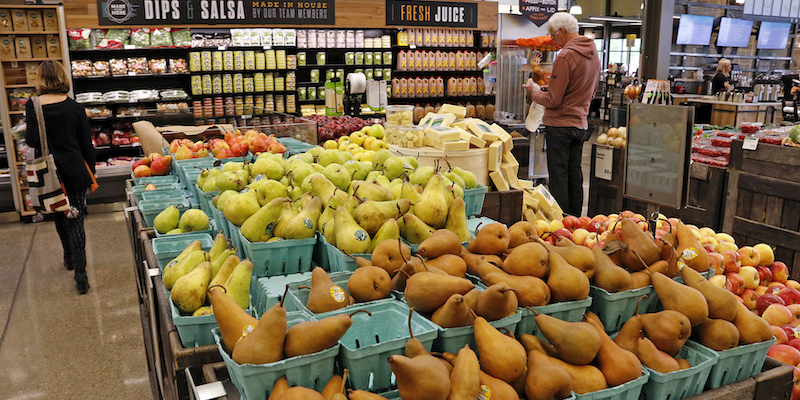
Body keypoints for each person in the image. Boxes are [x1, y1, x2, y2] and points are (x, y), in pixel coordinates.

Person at [25, 60, 96, 294]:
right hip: (74, 170)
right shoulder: (75, 107)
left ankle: (68, 257)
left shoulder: (33, 105)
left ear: (41, 79)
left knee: (58, 215)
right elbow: (86, 144)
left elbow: (33, 141)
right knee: (76, 218)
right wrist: (91, 172)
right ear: (62, 77)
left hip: (49, 174)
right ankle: (81, 274)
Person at [525, 12, 601, 217]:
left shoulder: (566, 56)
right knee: (574, 174)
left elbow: (553, 100)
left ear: (562, 31)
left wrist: (533, 93)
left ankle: (561, 221)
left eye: (553, 36)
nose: (553, 41)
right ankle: (576, 221)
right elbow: (587, 90)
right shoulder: (593, 54)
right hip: (580, 124)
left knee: (558, 177)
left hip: (559, 126)